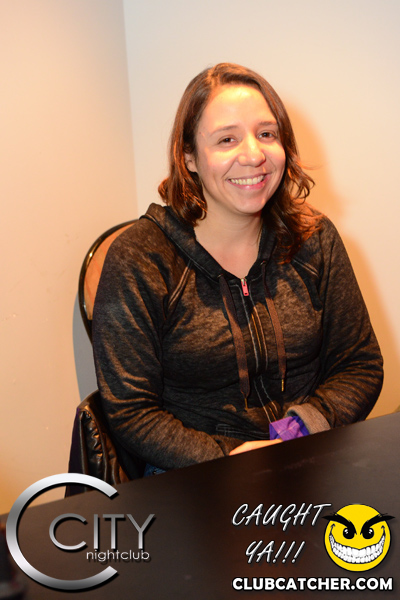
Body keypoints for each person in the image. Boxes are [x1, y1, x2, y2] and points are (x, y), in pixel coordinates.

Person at [92, 63, 383, 475]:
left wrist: (295, 433)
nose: (253, 155)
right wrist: (227, 461)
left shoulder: (315, 239)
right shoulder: (140, 257)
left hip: (309, 456)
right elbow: (131, 410)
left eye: (267, 134)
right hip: (197, 476)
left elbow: (360, 364)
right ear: (189, 156)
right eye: (226, 139)